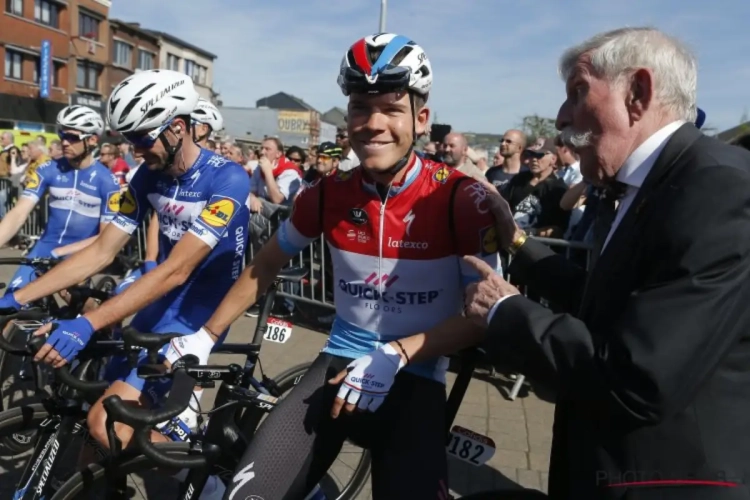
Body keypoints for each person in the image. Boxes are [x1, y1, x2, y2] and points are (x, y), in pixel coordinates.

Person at [165, 33, 502, 500]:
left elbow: (484, 317)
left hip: (416, 378)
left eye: (391, 108)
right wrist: (205, 336)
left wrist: (397, 353)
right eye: (361, 108)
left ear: (421, 119)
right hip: (336, 363)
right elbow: (264, 266)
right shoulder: (327, 194)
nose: (373, 123)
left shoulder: (461, 199)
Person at [463, 27, 750, 499]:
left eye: (578, 92)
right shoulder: (651, 186)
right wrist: (517, 243)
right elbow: (607, 304)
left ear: (637, 93)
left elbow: (638, 376)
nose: (559, 117)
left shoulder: (716, 190)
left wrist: (506, 311)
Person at [0, 69, 249, 499]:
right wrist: (14, 298)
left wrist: (89, 323)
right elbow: (101, 252)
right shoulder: (147, 176)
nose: (134, 150)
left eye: (141, 138)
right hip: (160, 300)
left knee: (107, 422)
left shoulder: (227, 179)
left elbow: (178, 270)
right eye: (128, 139)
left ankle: (218, 489)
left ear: (177, 128)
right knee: (96, 431)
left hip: (199, 310)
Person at [0, 105, 119, 292]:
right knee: (9, 303)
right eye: (62, 135)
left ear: (93, 140)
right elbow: (19, 212)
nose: (64, 142)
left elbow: (105, 237)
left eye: (72, 137)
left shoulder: (108, 181)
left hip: (80, 253)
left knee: (78, 303)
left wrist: (62, 253)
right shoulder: (48, 169)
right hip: (46, 247)